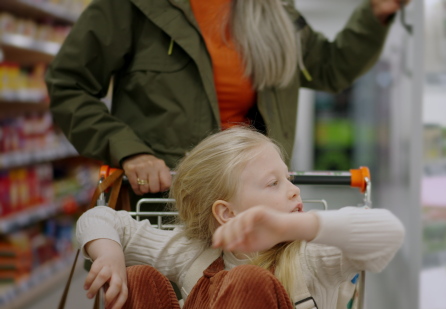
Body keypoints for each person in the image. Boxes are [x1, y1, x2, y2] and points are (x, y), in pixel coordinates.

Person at [45, 0, 411, 196]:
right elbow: (68, 84)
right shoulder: (134, 5)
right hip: (168, 206)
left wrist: (375, 14)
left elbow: (330, 68)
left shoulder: (276, 10)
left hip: (257, 204)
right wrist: (128, 149)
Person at [78, 126, 405, 309]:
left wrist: (292, 226)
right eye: (273, 183)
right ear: (226, 213)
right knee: (137, 280)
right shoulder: (193, 251)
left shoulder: (309, 256)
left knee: (247, 284)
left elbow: (389, 232)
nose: (293, 190)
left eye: (288, 178)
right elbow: (101, 218)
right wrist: (109, 254)